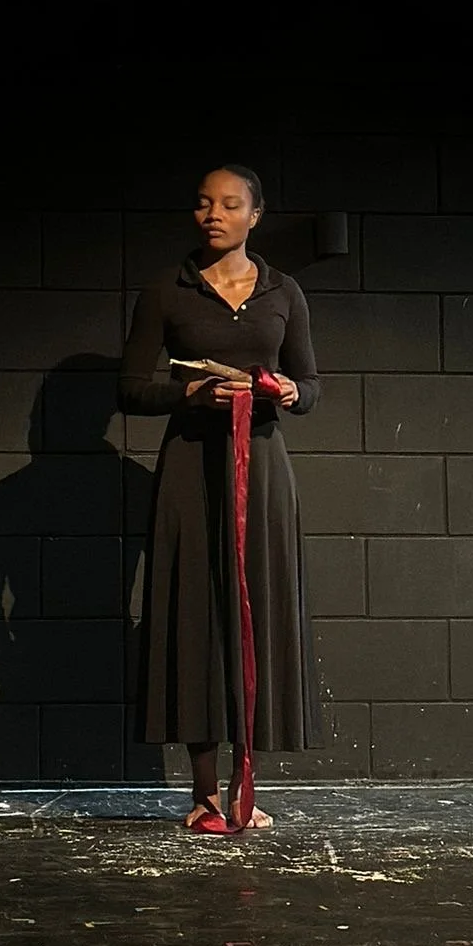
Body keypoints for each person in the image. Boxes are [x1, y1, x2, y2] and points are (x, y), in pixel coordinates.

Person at [119, 164, 323, 831]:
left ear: (254, 215)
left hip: (260, 465)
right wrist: (190, 393)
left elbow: (311, 385)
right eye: (204, 203)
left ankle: (245, 784)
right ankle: (204, 789)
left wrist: (289, 391)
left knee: (255, 612)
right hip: (189, 466)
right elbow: (130, 388)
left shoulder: (283, 291)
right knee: (194, 613)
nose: (214, 214)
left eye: (230, 205)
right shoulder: (166, 291)